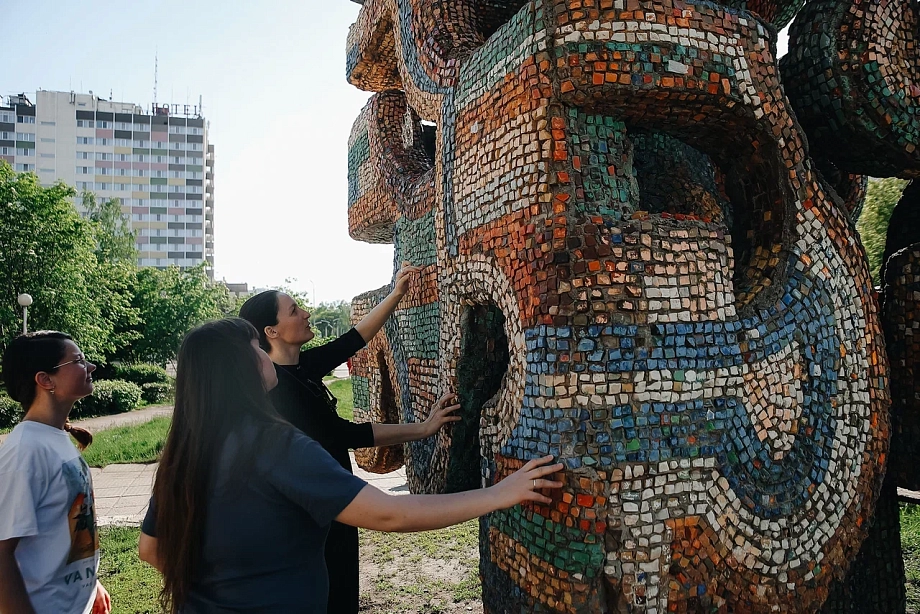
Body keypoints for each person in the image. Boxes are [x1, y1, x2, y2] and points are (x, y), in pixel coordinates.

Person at [138, 318, 562, 614]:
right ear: (241, 367)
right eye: (256, 348)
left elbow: (151, 549)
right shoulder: (275, 445)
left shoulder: (185, 452)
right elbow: (389, 513)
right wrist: (498, 493)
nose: (265, 356)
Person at [238, 262, 460, 614]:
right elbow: (347, 434)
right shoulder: (280, 389)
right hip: (313, 515)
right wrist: (422, 428)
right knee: (330, 595)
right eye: (294, 311)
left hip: (332, 502)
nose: (306, 313)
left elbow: (353, 339)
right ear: (272, 331)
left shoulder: (300, 367)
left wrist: (396, 294)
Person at [0, 331, 111, 614]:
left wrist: (90, 584)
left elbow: (63, 526)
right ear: (45, 380)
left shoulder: (54, 437)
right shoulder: (25, 450)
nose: (91, 366)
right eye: (79, 360)